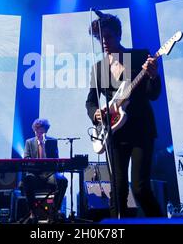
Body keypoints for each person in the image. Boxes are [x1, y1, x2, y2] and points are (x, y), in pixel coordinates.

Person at [85, 12, 163, 218]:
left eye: (108, 36)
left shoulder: (139, 57)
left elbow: (152, 95)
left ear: (118, 35)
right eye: (99, 38)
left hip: (140, 131)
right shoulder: (98, 68)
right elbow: (90, 101)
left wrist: (153, 76)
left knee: (140, 188)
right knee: (117, 192)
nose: (103, 42)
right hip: (113, 134)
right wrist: (97, 115)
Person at [20, 118, 68, 223]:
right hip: (34, 174)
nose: (39, 134)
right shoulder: (29, 142)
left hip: (49, 174)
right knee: (27, 181)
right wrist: (34, 162)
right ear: (34, 130)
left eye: (41, 131)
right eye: (37, 131)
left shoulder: (52, 141)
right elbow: (26, 158)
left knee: (62, 181)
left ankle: (55, 211)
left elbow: (56, 159)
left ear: (45, 131)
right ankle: (32, 212)